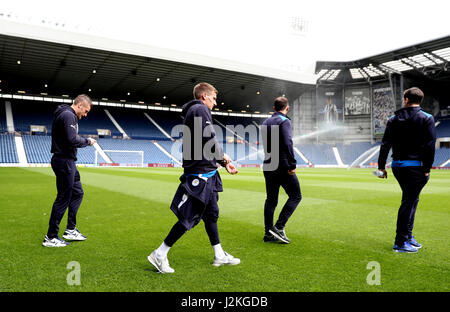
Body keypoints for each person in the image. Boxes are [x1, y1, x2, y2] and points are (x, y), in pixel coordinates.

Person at [148, 82, 240, 274]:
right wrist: (224, 157)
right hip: (200, 173)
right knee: (190, 215)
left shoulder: (196, 111)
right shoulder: (199, 109)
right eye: (214, 98)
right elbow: (209, 138)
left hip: (208, 171)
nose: (215, 103)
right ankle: (160, 253)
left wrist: (222, 163)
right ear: (204, 96)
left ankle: (219, 254)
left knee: (211, 213)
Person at [377, 87, 436, 253]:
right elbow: (429, 145)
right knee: (409, 202)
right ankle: (401, 242)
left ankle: (408, 237)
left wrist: (381, 167)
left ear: (407, 100)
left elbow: (385, 145)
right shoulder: (427, 118)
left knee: (412, 200)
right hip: (416, 168)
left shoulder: (393, 119)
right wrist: (426, 168)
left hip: (398, 166)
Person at [42, 94, 96, 247]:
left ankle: (70, 229)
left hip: (68, 162)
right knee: (63, 198)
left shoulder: (67, 115)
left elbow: (70, 138)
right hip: (64, 161)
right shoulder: (68, 115)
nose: (84, 115)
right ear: (79, 105)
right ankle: (51, 237)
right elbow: (72, 140)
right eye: (85, 111)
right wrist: (88, 141)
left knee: (78, 192)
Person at [261, 97, 302, 244]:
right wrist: (292, 164)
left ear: (274, 107)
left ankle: (268, 233)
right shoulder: (285, 121)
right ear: (287, 108)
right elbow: (287, 142)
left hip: (268, 164)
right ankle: (279, 227)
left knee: (271, 200)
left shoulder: (265, 122)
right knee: (296, 196)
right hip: (282, 165)